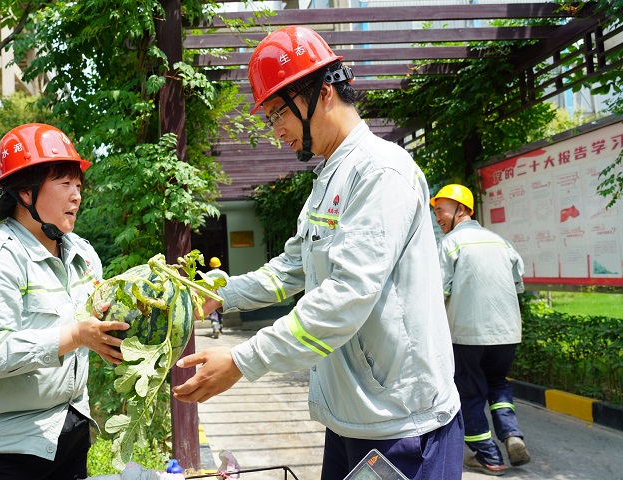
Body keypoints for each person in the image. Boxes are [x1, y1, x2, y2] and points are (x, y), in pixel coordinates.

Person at [172, 26, 463, 480]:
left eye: (276, 115)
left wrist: (242, 361)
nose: (276, 132)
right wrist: (219, 294)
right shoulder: (329, 180)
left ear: (322, 93)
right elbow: (290, 269)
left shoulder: (380, 171)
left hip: (400, 423)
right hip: (349, 416)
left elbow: (347, 295)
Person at [0, 123, 130, 480]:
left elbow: (90, 323)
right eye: (64, 184)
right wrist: (77, 336)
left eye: (79, 186)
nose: (77, 196)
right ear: (25, 191)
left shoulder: (82, 255)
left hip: (65, 430)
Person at [431, 184, 531, 476]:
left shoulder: (451, 244)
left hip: (467, 335)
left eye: (441, 210)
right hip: (507, 334)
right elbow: (517, 284)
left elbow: (439, 291)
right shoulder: (501, 243)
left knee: (470, 393)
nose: (437, 217)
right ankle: (511, 435)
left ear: (461, 210)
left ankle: (489, 457)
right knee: (498, 383)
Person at [206, 256, 230, 338]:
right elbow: (228, 284)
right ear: (219, 264)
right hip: (221, 296)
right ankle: (220, 328)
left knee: (213, 312)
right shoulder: (223, 274)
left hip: (211, 296)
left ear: (210, 265)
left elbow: (204, 286)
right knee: (220, 312)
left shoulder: (207, 274)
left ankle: (216, 328)